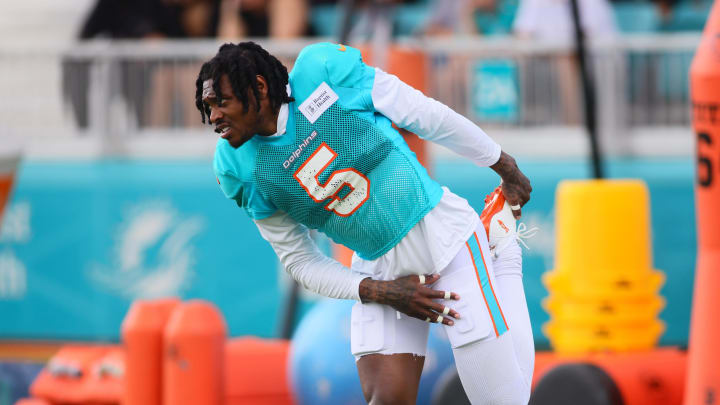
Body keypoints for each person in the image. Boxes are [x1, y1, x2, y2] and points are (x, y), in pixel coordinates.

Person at [195, 41, 534, 404]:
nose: (214, 117)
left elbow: (421, 113)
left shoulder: (322, 73)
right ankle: (497, 249)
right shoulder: (237, 167)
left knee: (503, 401)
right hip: (380, 269)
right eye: (209, 107)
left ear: (259, 88)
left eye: (222, 102)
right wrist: (379, 290)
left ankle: (503, 252)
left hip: (443, 237)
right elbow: (298, 259)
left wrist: (503, 165)